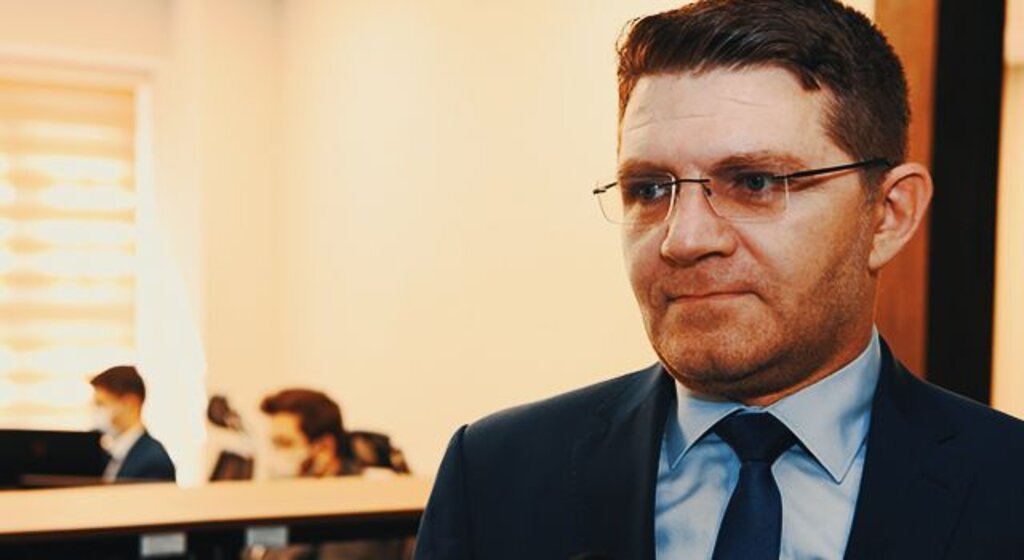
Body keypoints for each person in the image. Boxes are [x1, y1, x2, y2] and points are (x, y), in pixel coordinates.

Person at [414, 1, 1024, 559]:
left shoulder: (1007, 486)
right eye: (649, 190)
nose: (683, 239)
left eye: (755, 183)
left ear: (888, 215)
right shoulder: (496, 476)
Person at [258, 389, 409, 560]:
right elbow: (257, 544)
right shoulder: (294, 501)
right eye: (272, 444)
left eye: (285, 444)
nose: (273, 456)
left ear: (324, 448)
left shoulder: (361, 507)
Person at [90, 365, 176, 482]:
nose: (95, 410)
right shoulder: (109, 455)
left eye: (101, 404)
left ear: (129, 404)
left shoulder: (154, 461)